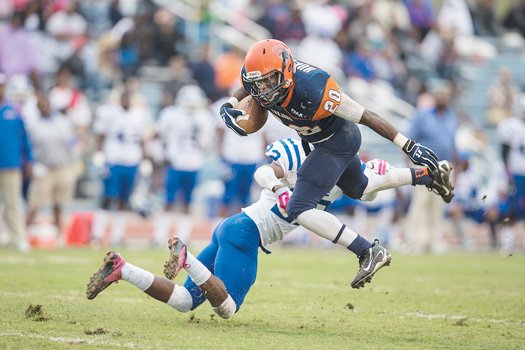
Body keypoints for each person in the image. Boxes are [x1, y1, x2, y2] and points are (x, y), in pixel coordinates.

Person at [86, 137, 456, 318]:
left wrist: (424, 176)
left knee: (185, 303)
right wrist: (279, 187)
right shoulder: (303, 147)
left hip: (233, 227)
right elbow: (265, 170)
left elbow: (381, 180)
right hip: (247, 233)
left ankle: (122, 269)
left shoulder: (347, 168)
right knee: (228, 309)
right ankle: (185, 259)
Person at [219, 39, 454, 287]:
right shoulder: (255, 77)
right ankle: (430, 176)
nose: (264, 89)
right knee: (360, 188)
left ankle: (367, 251)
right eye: (260, 82)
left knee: (299, 207)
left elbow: (367, 116)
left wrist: (408, 145)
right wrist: (231, 104)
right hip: (317, 141)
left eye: (270, 80)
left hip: (338, 138)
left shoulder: (315, 88)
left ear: (287, 71)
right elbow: (247, 87)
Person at [153, 84, 214, 246]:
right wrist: (161, 154)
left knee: (187, 202)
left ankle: (183, 237)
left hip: (193, 163)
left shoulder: (204, 118)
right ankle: (160, 236)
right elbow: (159, 135)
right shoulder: (171, 114)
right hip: (175, 162)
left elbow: (206, 144)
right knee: (168, 200)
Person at [25, 93, 77, 244]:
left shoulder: (62, 121)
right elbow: (29, 146)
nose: (44, 108)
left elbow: (71, 143)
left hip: (63, 166)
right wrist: (33, 163)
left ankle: (60, 236)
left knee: (59, 204)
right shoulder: (34, 124)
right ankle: (23, 234)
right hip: (44, 167)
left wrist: (73, 162)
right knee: (35, 202)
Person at [0, 72, 33, 252]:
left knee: (13, 203)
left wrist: (29, 160)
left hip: (11, 165)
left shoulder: (12, 111)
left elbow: (25, 139)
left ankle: (17, 238)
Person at [497, 96, 525, 254]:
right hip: (515, 173)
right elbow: (504, 152)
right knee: (511, 210)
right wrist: (507, 174)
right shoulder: (510, 126)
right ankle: (508, 243)